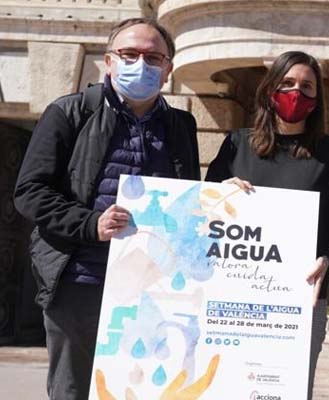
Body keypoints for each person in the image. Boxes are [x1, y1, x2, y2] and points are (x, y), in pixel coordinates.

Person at [13, 17, 200, 399]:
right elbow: (29, 192)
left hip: (153, 288)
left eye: (152, 57)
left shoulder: (182, 125)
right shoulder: (70, 112)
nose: (140, 64)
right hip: (80, 281)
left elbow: (188, 198)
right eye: (129, 54)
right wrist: (90, 223)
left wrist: (226, 196)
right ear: (109, 61)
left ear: (168, 69)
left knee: (144, 388)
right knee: (74, 390)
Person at [205, 50, 329, 399]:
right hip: (230, 306)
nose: (298, 93)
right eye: (288, 83)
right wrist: (218, 196)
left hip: (299, 308)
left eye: (308, 87)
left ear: (317, 98)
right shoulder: (236, 145)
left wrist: (327, 261)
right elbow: (198, 218)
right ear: (269, 90)